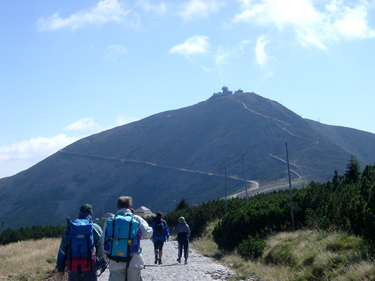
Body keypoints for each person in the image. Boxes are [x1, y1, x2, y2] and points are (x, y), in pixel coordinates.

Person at [102, 196, 153, 281]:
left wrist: (107, 258)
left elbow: (104, 242)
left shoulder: (110, 221)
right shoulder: (136, 219)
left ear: (117, 207)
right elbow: (148, 233)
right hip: (134, 260)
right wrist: (137, 236)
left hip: (115, 261)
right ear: (130, 207)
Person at [56, 204, 106, 281]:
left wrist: (60, 268)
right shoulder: (95, 228)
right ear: (91, 214)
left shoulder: (70, 228)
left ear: (79, 214)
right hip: (90, 265)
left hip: (73, 265)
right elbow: (100, 249)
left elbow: (62, 249)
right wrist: (102, 263)